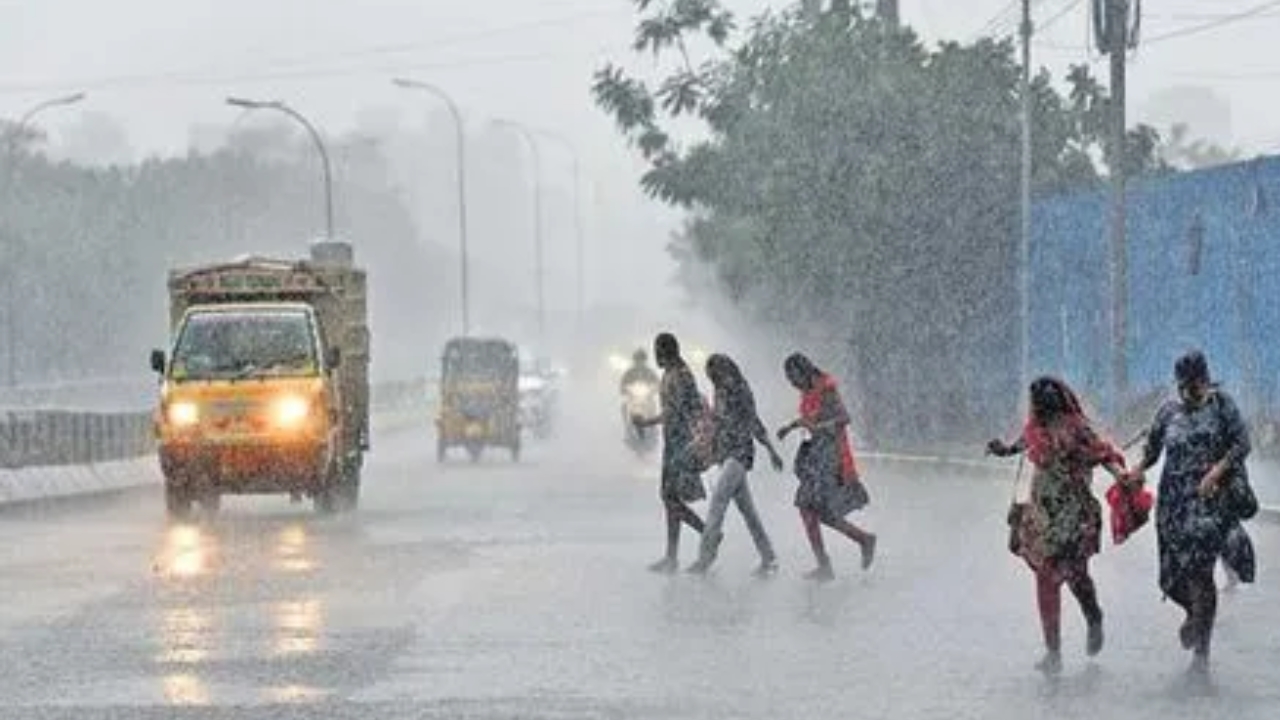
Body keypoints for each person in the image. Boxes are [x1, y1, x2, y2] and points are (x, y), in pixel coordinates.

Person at [1121, 350, 1252, 675]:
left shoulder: (1222, 406)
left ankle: (1201, 655)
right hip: (1174, 506)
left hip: (1210, 505)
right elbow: (1152, 450)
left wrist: (1217, 471)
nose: (1188, 392)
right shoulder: (1168, 412)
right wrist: (1137, 470)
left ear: (1206, 380)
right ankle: (1194, 613)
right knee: (1172, 577)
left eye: (1195, 385)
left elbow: (1242, 443)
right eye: (1183, 386)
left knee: (1201, 574)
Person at [987, 376, 1127, 675]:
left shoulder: (1077, 428)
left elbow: (1103, 454)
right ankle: (1053, 652)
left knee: (1076, 576)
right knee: (1047, 578)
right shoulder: (1035, 429)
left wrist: (1120, 475)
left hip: (1074, 515)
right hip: (1044, 517)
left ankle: (1093, 615)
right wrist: (1003, 449)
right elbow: (1021, 445)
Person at [777, 353, 876, 581]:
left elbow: (843, 418)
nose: (792, 384)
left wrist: (818, 426)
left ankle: (835, 559)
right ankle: (858, 542)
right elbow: (809, 419)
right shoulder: (808, 391)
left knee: (811, 508)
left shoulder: (826, 389)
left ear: (803, 372)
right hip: (816, 455)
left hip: (830, 456)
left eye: (793, 378)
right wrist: (791, 426)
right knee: (815, 511)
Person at [687, 354, 785, 577]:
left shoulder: (740, 389)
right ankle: (769, 557)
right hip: (726, 453)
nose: (715, 379)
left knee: (717, 504)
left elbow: (753, 420)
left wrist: (770, 450)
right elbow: (719, 422)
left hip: (739, 453)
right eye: (711, 375)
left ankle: (705, 558)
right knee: (748, 512)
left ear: (726, 370)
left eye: (716, 373)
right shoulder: (720, 390)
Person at [633, 333, 707, 573]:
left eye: (658, 350)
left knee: (670, 498)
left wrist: (646, 423)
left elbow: (674, 413)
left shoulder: (681, 376)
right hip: (673, 442)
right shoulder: (669, 374)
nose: (655, 355)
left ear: (667, 351)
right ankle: (671, 556)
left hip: (681, 443)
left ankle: (709, 533)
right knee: (671, 499)